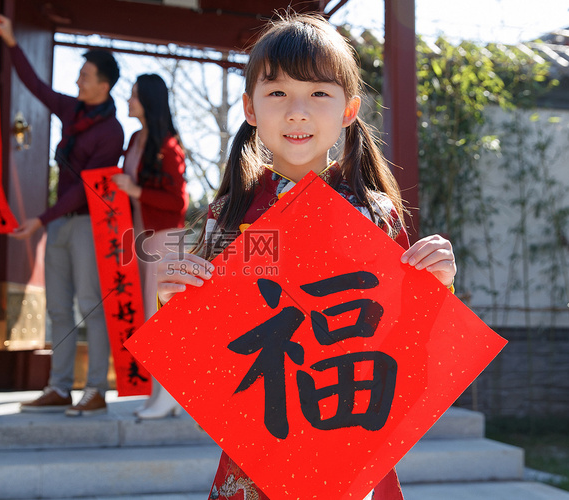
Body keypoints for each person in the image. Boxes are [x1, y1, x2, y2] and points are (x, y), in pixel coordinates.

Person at [155, 13, 457, 500]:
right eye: (277, 93)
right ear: (251, 108)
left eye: (319, 93)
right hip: (259, 447)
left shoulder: (374, 213)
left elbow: (413, 347)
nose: (297, 111)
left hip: (352, 435)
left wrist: (435, 286)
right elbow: (210, 361)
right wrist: (177, 307)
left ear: (349, 109)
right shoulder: (229, 214)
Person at [0, 15, 124, 416]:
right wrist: (12, 41)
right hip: (60, 223)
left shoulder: (112, 131)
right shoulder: (72, 109)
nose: (78, 79)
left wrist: (40, 219)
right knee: (58, 309)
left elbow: (87, 186)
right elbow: (35, 86)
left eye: (85, 74)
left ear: (104, 84)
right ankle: (59, 387)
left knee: (90, 305)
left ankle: (97, 389)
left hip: (86, 225)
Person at [111, 74, 189, 419]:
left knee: (161, 320)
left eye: (134, 96)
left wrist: (135, 190)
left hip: (164, 241)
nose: (128, 101)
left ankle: (168, 396)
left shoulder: (169, 146)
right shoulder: (135, 139)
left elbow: (178, 203)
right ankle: (162, 395)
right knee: (150, 318)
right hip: (140, 239)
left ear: (149, 101)